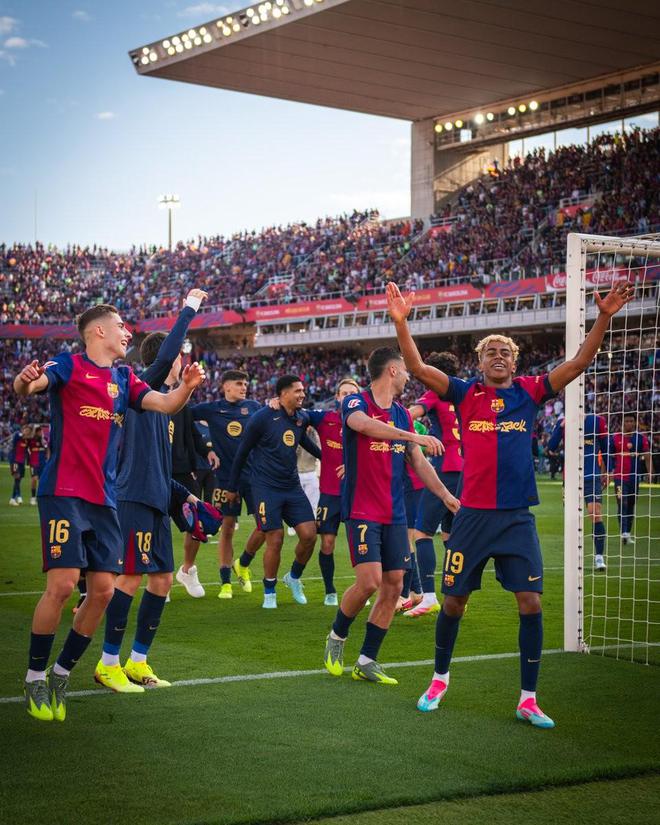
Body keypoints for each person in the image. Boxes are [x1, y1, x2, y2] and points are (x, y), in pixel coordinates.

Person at [387, 279, 633, 727]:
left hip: (517, 518)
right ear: (479, 362)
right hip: (472, 517)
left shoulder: (531, 391)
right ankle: (439, 679)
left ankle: (528, 699)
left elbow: (579, 362)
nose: (498, 356)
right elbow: (419, 367)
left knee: (531, 603)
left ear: (514, 363)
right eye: (490, 352)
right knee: (454, 603)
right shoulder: (464, 394)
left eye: (505, 352)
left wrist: (603, 317)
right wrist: (402, 323)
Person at [14, 303, 206, 722]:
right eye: (121, 326)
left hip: (105, 500)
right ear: (98, 331)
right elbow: (31, 385)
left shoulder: (124, 378)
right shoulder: (69, 365)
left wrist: (188, 387)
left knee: (102, 591)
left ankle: (61, 673)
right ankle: (34, 675)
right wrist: (25, 381)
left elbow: (165, 403)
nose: (127, 333)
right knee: (64, 585)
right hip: (64, 492)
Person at [323, 347, 460, 685]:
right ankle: (337, 635)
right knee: (369, 581)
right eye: (406, 371)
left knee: (395, 584)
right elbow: (364, 426)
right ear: (393, 370)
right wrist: (415, 436)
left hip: (394, 513)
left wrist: (446, 496)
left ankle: (367, 660)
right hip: (362, 508)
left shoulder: (402, 414)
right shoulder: (355, 402)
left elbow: (419, 462)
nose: (410, 377)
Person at [95, 290, 210, 693]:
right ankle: (108, 663)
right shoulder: (143, 385)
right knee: (129, 578)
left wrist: (185, 496)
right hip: (134, 498)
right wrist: (190, 308)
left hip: (157, 498)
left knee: (161, 580)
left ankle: (137, 661)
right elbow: (166, 355)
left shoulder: (164, 407)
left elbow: (157, 464)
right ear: (169, 359)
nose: (182, 361)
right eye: (178, 355)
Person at [226, 374, 322, 609]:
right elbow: (242, 452)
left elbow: (304, 442)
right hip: (265, 487)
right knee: (275, 537)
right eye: (297, 391)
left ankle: (293, 577)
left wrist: (328, 458)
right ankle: (269, 592)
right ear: (283, 394)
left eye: (303, 390)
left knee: (309, 535)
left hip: (291, 485)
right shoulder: (262, 418)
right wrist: (232, 487)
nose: (302, 394)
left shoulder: (302, 418)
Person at [190, 370, 265, 599]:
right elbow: (182, 415)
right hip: (223, 479)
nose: (244, 387)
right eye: (239, 383)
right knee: (228, 528)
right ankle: (225, 583)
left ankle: (243, 563)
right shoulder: (211, 409)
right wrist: (204, 449)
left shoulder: (254, 407)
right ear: (226, 387)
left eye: (245, 383)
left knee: (266, 525)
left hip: (253, 477)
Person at [407, 352, 464, 616]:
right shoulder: (462, 394)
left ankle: (429, 597)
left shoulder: (434, 394)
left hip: (444, 471)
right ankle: (458, 594)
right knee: (450, 536)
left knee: (422, 533)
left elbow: (409, 415)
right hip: (466, 471)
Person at [307, 378, 361, 605]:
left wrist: (353, 465)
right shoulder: (324, 418)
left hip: (357, 493)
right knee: (327, 543)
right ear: (337, 397)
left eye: (352, 393)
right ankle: (330, 590)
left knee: (359, 545)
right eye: (344, 393)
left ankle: (362, 589)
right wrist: (275, 402)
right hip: (329, 493)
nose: (348, 396)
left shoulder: (366, 422)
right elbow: (295, 413)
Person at [171, 388, 220, 598]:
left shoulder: (182, 403)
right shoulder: (149, 396)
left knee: (197, 522)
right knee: (157, 525)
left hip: (183, 470)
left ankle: (187, 570)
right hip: (156, 469)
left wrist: (207, 451)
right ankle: (160, 577)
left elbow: (192, 433)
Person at [547, 410, 609, 569]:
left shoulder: (598, 421)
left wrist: (607, 471)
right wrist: (561, 427)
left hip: (591, 476)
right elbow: (551, 447)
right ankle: (573, 558)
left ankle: (599, 557)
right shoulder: (563, 422)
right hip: (570, 478)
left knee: (595, 513)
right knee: (572, 519)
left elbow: (605, 449)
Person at [609, 413, 652, 544]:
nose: (629, 423)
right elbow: (608, 455)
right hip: (619, 477)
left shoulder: (640, 438)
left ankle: (627, 533)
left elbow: (647, 455)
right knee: (622, 502)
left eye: (631, 421)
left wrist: (650, 472)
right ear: (622, 423)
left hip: (634, 477)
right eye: (626, 421)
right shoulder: (615, 438)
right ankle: (623, 533)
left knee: (631, 504)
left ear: (635, 422)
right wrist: (607, 472)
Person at [287, 428, 321, 537]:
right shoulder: (296, 433)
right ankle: (292, 525)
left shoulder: (315, 435)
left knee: (313, 503)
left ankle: (313, 526)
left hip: (311, 472)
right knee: (294, 502)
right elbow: (292, 452)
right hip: (297, 473)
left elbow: (319, 451)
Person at [9, 423, 30, 505]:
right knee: (17, 477)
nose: (27, 432)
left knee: (18, 480)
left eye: (28, 431)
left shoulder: (26, 440)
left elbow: (26, 450)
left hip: (21, 461)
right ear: (22, 430)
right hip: (15, 460)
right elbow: (20, 435)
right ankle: (19, 496)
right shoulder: (17, 435)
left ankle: (12, 498)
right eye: (26, 430)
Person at [27, 424, 49, 505]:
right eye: (38, 431)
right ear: (35, 432)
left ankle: (39, 497)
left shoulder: (44, 440)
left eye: (40, 431)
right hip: (34, 462)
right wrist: (34, 429)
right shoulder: (31, 440)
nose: (40, 432)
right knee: (34, 478)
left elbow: (47, 449)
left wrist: (48, 459)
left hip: (43, 462)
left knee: (42, 480)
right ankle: (33, 497)